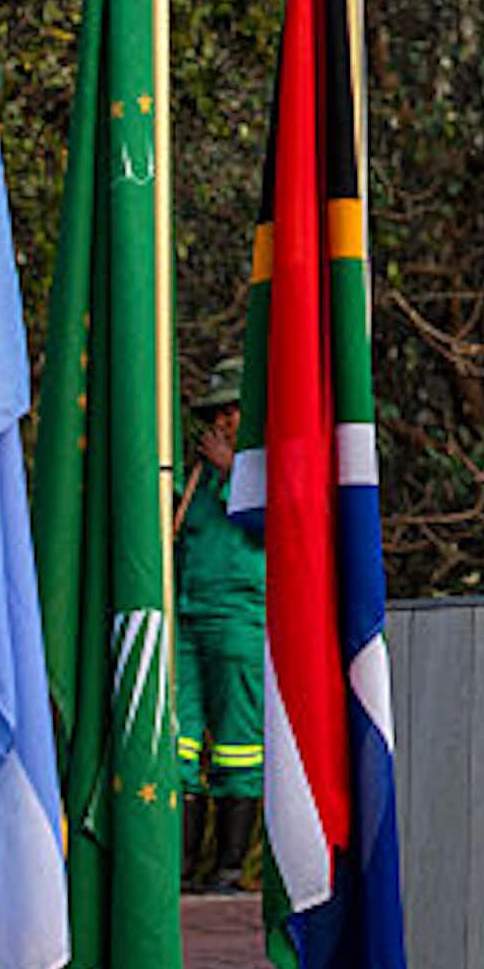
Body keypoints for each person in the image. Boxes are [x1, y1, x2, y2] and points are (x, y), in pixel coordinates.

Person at [176, 359, 265, 893]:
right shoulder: (195, 472)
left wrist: (235, 469)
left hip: (240, 616)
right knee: (179, 743)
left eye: (234, 409)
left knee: (238, 743)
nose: (225, 420)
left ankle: (229, 866)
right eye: (218, 412)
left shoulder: (264, 466)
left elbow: (281, 523)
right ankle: (183, 862)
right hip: (186, 617)